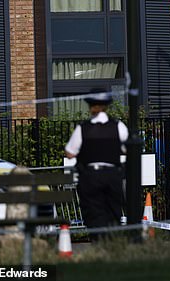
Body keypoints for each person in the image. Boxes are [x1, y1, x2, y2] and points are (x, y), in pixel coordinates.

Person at [65, 89, 128, 240]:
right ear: (107, 106)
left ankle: (98, 242)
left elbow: (69, 152)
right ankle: (112, 242)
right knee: (113, 211)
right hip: (112, 175)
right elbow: (127, 147)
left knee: (93, 213)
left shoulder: (83, 128)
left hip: (90, 176)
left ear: (90, 105)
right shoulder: (118, 126)